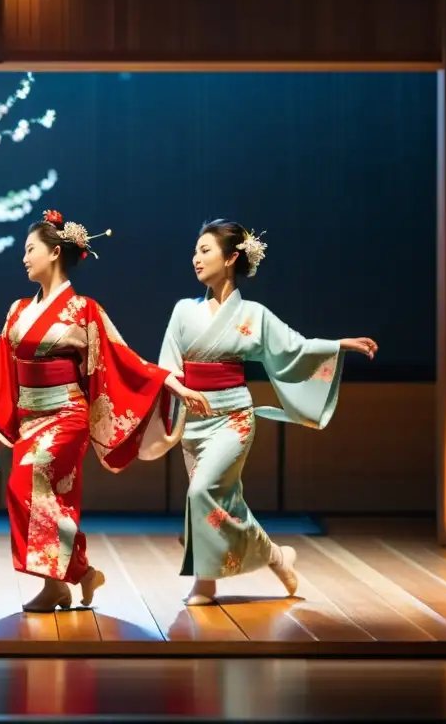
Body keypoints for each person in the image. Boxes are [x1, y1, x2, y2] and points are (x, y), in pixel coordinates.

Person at [0, 210, 202, 612]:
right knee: (38, 496)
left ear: (55, 253)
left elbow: (123, 358)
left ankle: (58, 583)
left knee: (26, 483)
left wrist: (170, 382)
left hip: (66, 413)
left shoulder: (83, 309)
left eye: (30, 249)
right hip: (30, 416)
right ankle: (77, 575)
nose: (24, 258)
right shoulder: (17, 310)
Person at [153, 219, 378, 606]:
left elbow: (295, 349)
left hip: (234, 418)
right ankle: (277, 556)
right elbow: (167, 366)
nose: (196, 258)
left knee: (201, 491)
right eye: (195, 250)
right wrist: (183, 389)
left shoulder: (253, 314)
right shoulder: (182, 311)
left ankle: (204, 582)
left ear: (232, 258)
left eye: (205, 250)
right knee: (219, 501)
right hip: (193, 419)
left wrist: (339, 345)